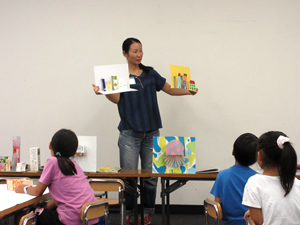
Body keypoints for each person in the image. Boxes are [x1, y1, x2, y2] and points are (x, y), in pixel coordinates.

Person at [92, 37, 197, 224]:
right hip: (129, 133)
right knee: (130, 179)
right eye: (134, 51)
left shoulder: (150, 73)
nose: (139, 54)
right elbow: (116, 99)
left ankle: (148, 212)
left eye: (140, 50)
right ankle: (130, 213)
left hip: (151, 133)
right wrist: (104, 91)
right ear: (125, 54)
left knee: (150, 178)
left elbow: (170, 90)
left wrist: (189, 91)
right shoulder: (120, 75)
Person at [15, 129, 99, 225]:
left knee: (22, 216)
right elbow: (64, 197)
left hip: (70, 220)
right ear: (74, 151)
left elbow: (37, 191)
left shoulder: (53, 162)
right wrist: (45, 207)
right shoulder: (74, 165)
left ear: (50, 145)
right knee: (44, 211)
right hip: (90, 217)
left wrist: (24, 188)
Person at [242, 131, 300, 225]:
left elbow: (258, 222)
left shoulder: (254, 183)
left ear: (259, 155)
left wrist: (252, 214)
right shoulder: (297, 184)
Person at [210, 133, 258, 225]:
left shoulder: (222, 175)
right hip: (250, 222)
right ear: (256, 158)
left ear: (233, 152)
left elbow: (217, 205)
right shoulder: (257, 178)